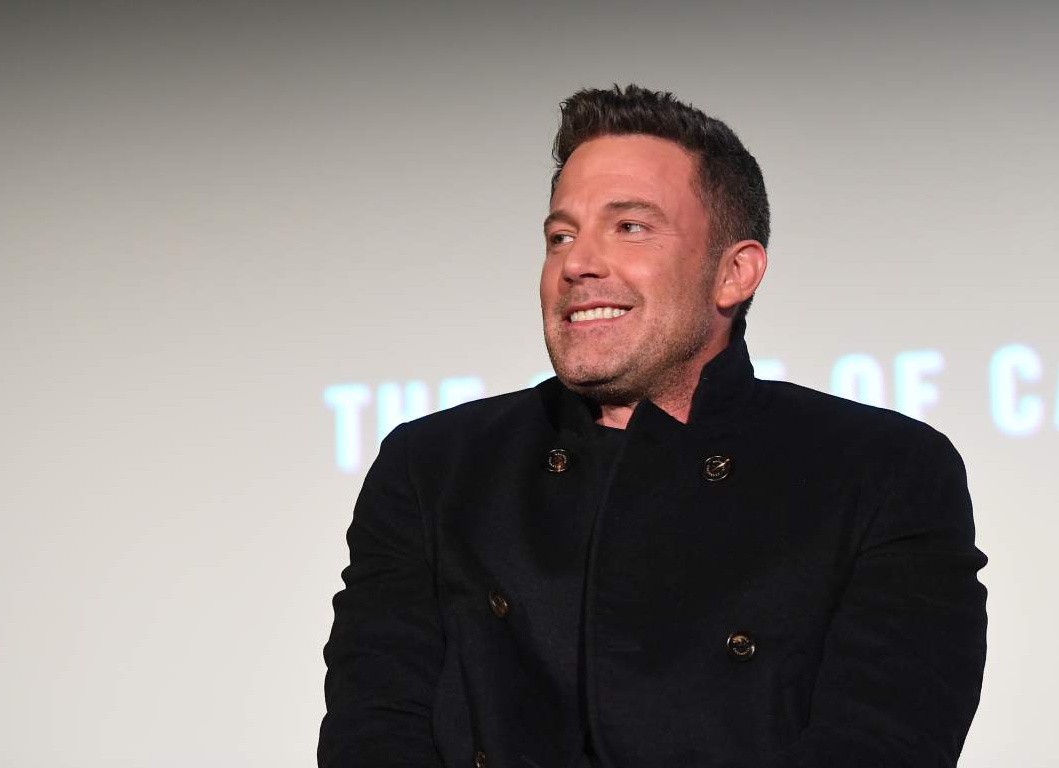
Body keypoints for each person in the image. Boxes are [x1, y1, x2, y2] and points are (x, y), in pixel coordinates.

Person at [318, 84, 987, 768]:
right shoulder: (434, 470)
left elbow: (880, 743)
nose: (577, 264)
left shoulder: (881, 472)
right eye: (560, 236)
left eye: (630, 227)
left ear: (735, 273)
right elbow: (374, 733)